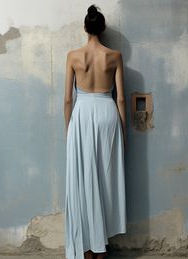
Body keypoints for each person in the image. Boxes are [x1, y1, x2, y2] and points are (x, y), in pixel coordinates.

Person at [63, 4, 127, 259]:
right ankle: (102, 247)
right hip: (107, 112)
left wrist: (70, 132)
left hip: (81, 115)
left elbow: (67, 99)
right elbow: (121, 98)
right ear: (102, 29)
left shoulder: (73, 56)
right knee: (105, 178)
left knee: (83, 179)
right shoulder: (115, 56)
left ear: (85, 28)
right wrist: (123, 134)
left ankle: (89, 247)